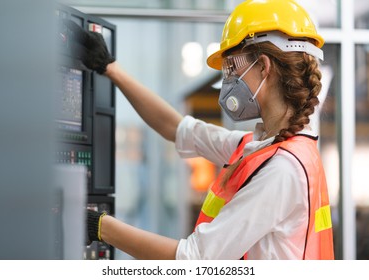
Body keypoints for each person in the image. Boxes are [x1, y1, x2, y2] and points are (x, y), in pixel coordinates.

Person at [68, 0, 335, 259]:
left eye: (231, 67)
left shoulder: (281, 169)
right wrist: (110, 68)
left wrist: (98, 226)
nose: (228, 79)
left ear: (264, 67)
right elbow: (177, 128)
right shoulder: (264, 149)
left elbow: (195, 258)